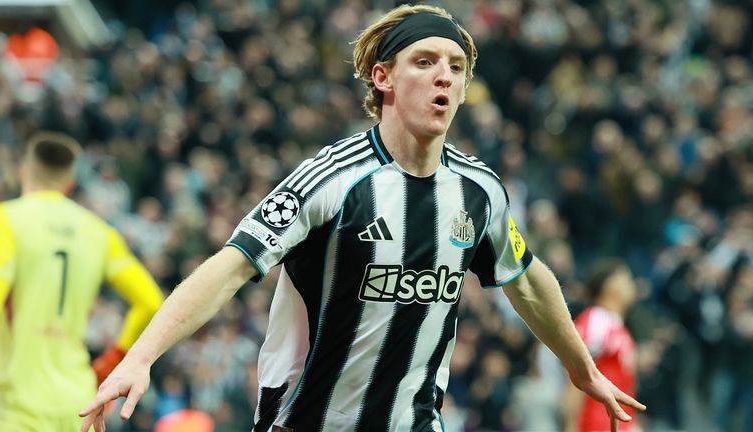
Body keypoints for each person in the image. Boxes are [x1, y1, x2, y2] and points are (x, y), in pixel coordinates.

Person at [80, 4, 645, 431]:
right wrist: (141, 357)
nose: (444, 76)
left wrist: (581, 367)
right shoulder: (331, 178)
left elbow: (527, 279)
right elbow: (230, 267)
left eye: (456, 67)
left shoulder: (479, 192)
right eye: (424, 62)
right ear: (383, 78)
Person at [0, 131, 164, 431]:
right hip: (79, 406)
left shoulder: (4, 220)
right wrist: (114, 357)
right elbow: (151, 302)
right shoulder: (99, 232)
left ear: (24, 171)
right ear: (69, 182)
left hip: (19, 407)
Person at [564, 259, 639, 432]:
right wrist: (570, 426)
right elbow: (577, 374)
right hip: (596, 426)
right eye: (626, 278)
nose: (631, 284)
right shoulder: (597, 320)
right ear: (610, 286)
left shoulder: (617, 326)